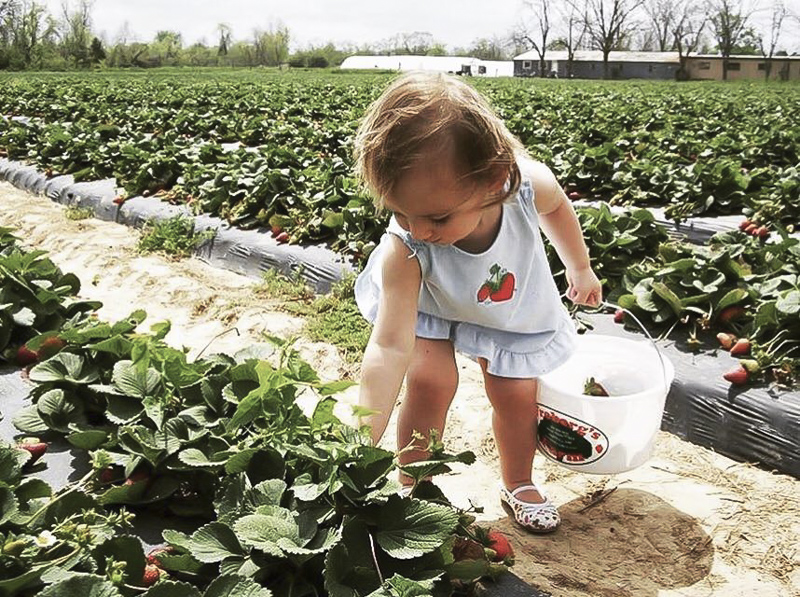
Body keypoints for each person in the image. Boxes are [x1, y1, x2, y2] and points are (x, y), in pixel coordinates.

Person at [352, 71, 602, 534]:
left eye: (437, 217)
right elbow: (388, 347)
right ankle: (414, 484)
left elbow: (558, 207)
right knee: (429, 381)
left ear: (493, 179)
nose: (419, 228)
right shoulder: (406, 246)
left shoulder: (528, 185)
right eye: (400, 211)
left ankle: (519, 482)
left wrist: (580, 266)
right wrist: (361, 436)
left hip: (508, 309)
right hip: (432, 302)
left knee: (515, 394)